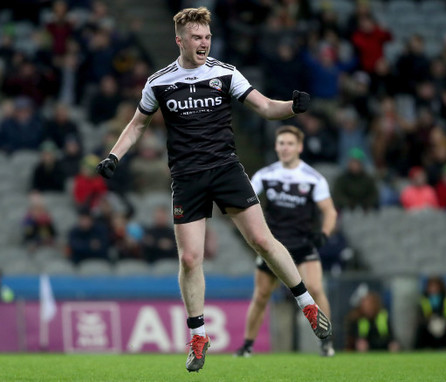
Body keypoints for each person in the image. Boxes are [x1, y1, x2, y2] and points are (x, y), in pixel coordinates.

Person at [95, 7, 331, 373]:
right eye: (196, 37)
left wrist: (292, 109)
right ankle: (199, 336)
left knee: (263, 241)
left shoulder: (224, 73)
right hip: (187, 178)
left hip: (226, 170)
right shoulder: (160, 81)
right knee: (190, 259)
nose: (203, 42)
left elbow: (266, 107)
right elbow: (138, 124)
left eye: (206, 36)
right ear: (180, 41)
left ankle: (307, 303)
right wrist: (114, 156)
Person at [234, 125, 337, 358]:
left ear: (299, 147)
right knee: (261, 296)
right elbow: (244, 202)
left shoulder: (313, 178)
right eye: (281, 143)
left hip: (302, 243)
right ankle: (247, 346)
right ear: (276, 146)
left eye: (290, 143)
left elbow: (329, 212)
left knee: (316, 288)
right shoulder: (265, 175)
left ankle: (326, 342)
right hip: (274, 246)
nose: (285, 147)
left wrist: (325, 234)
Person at [415, 276, 446, 349]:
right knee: (424, 329)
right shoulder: (424, 298)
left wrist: (445, 320)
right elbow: (421, 315)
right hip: (430, 323)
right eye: (431, 287)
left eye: (435, 287)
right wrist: (431, 320)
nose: (433, 289)